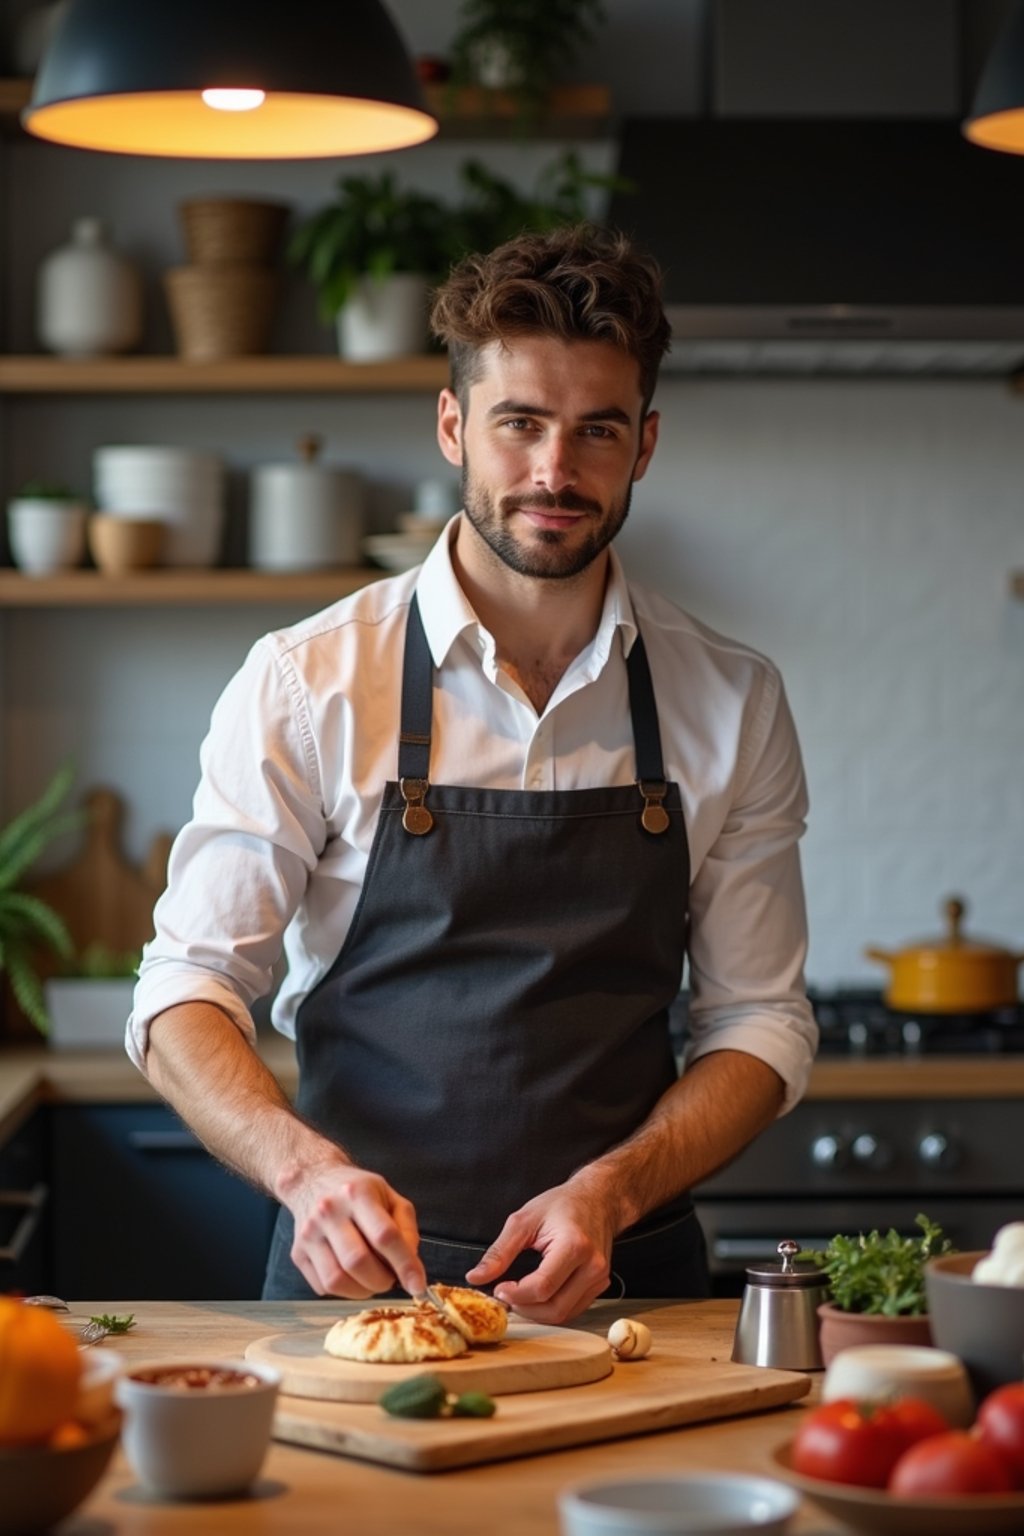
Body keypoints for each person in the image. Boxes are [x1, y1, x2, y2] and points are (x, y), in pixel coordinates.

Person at [129, 223, 817, 1324]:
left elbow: (760, 1025)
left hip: (628, 1290)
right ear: (453, 426)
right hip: (353, 1291)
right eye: (519, 425)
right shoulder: (308, 683)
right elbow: (184, 993)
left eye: (595, 430)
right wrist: (304, 1175)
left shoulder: (730, 699)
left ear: (643, 444)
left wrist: (614, 1189)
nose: (555, 469)